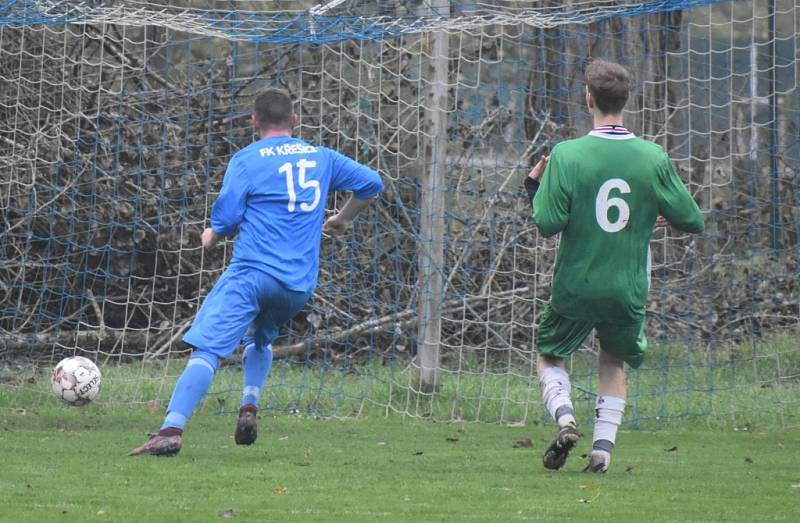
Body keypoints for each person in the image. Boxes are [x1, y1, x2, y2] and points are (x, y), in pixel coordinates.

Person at [129, 88, 384, 456]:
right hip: (297, 285)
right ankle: (249, 405)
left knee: (209, 349)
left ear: (254, 123)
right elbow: (372, 184)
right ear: (295, 121)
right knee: (260, 340)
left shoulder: (247, 160)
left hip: (252, 274)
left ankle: (171, 429)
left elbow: (228, 220)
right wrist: (342, 219)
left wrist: (211, 236)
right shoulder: (322, 157)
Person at [524, 59, 704, 473]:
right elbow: (692, 220)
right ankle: (602, 454)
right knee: (612, 361)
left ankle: (567, 418)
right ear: (626, 101)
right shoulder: (652, 157)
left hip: (577, 283)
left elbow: (547, 224)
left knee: (551, 356)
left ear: (589, 98)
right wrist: (655, 209)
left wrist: (533, 188)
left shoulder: (566, 155)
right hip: (627, 286)